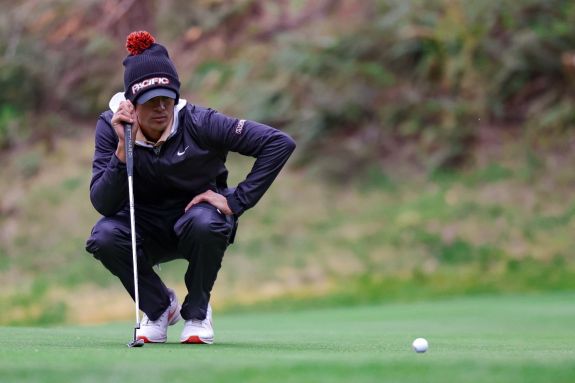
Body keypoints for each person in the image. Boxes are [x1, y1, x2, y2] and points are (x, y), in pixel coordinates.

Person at [85, 31, 295, 344]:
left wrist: (237, 200)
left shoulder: (200, 122)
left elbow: (278, 143)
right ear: (131, 104)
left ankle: (197, 313)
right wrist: (121, 150)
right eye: (150, 101)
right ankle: (158, 309)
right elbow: (102, 202)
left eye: (167, 98)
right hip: (143, 227)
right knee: (102, 236)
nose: (161, 108)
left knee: (205, 221)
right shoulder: (112, 127)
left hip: (195, 221)